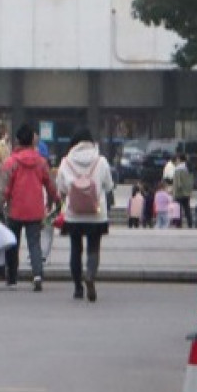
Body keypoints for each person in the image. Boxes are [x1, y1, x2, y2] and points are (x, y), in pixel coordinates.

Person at [56, 128, 114, 302]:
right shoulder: (101, 161)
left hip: (74, 214)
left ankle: (78, 288)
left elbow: (62, 188)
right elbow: (109, 185)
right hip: (96, 214)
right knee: (93, 248)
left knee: (75, 249)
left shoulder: (66, 162)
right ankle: (90, 275)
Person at [2, 124, 59, 292]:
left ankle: (12, 278)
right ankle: (37, 275)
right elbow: (51, 184)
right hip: (35, 209)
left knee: (12, 243)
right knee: (34, 243)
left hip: (15, 210)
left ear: (18, 140)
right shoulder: (41, 162)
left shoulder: (11, 162)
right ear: (32, 140)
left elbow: (4, 189)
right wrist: (54, 200)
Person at [171, 153, 194, 228]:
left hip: (179, 193)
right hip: (187, 193)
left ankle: (179, 224)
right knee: (187, 209)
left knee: (178, 210)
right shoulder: (188, 168)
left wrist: (174, 192)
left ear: (179, 159)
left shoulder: (178, 169)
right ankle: (190, 223)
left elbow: (177, 182)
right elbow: (191, 181)